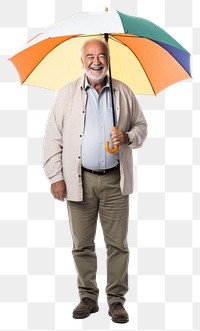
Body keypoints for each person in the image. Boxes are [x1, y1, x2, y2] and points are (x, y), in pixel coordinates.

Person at [43, 39, 147, 324]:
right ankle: (88, 297)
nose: (96, 61)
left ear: (109, 59)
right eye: (90, 56)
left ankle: (116, 301)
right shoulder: (66, 95)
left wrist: (128, 137)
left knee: (118, 245)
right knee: (82, 245)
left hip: (115, 181)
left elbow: (141, 126)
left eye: (101, 55)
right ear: (82, 61)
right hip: (80, 181)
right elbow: (52, 138)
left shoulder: (123, 92)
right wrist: (56, 177)